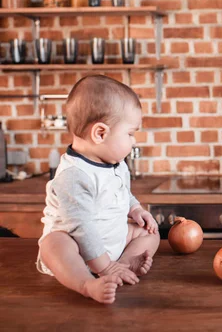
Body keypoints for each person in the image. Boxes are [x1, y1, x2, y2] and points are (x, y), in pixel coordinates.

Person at [37, 75, 159, 304]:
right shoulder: (74, 176)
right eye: (130, 133)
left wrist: (135, 209)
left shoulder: (116, 164)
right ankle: (86, 283)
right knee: (53, 245)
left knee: (148, 232)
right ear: (100, 133)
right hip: (78, 253)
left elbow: (123, 192)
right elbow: (82, 229)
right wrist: (104, 267)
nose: (134, 141)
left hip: (109, 242)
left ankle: (123, 265)